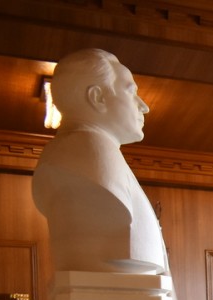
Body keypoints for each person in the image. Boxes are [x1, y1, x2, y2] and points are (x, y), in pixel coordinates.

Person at [32, 48, 167, 275]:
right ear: (97, 97)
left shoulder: (101, 159)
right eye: (131, 92)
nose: (144, 106)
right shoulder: (82, 162)